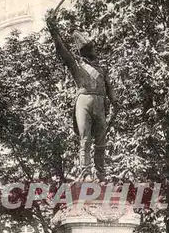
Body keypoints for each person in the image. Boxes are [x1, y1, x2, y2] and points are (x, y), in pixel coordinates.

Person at [46, 11, 117, 181]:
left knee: (101, 141)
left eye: (91, 49)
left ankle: (101, 174)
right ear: (83, 53)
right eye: (88, 49)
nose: (92, 52)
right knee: (85, 139)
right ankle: (85, 172)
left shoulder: (101, 69)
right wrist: (54, 32)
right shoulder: (77, 67)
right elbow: (63, 52)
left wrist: (115, 101)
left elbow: (109, 86)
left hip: (100, 104)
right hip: (83, 101)